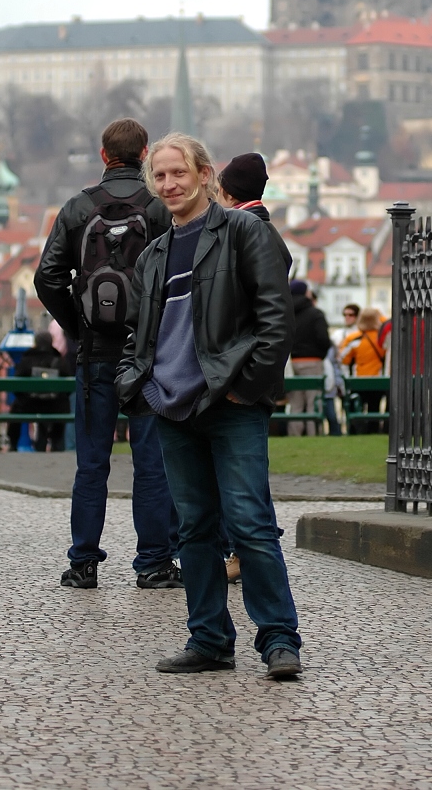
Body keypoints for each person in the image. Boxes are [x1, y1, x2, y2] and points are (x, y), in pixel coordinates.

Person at [116, 132, 302, 678]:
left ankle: (278, 639)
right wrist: (139, 388)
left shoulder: (243, 231)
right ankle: (210, 639)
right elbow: (137, 336)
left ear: (204, 175)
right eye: (160, 175)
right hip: (173, 408)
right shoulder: (153, 254)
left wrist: (247, 387)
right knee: (194, 530)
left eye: (178, 173)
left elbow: (276, 320)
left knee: (250, 524)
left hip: (232, 402)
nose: (169, 184)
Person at [34, 118, 180, 591]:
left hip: (94, 352)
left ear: (103, 155)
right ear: (145, 154)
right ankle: (154, 562)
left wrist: (77, 327)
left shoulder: (78, 207)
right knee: (151, 463)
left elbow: (47, 277)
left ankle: (83, 563)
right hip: (148, 354)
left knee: (92, 463)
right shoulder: (158, 207)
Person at [217, 151, 291, 584]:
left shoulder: (246, 230)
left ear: (226, 191)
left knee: (243, 473)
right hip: (253, 371)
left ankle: (247, 551)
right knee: (247, 471)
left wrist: (246, 383)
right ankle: (250, 547)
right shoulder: (264, 228)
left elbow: (266, 318)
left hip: (244, 371)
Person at [287, 280, 330, 436]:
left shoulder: (286, 313)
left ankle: (294, 435)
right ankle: (314, 434)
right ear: (306, 292)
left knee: (296, 404)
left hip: (291, 362)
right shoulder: (315, 314)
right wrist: (321, 354)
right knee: (314, 402)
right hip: (312, 361)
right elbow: (323, 339)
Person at [12, 330, 66, 453]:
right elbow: (67, 386)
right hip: (54, 405)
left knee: (16, 407)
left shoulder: (27, 359)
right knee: (63, 405)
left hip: (30, 405)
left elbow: (16, 386)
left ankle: (13, 443)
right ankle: (56, 442)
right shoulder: (59, 360)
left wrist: (25, 397)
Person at [340, 306, 388, 433]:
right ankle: (373, 430)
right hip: (377, 380)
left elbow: (343, 358)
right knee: (374, 407)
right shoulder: (381, 339)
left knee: (357, 407)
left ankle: (357, 431)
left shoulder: (353, 338)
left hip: (358, 380)